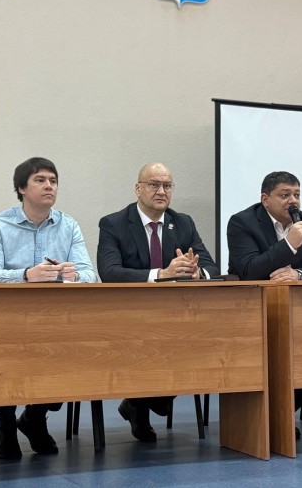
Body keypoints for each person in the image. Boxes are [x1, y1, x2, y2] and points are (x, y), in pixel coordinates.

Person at [0, 157, 97, 460]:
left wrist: (73, 276)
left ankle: (35, 416)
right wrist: (26, 275)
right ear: (21, 188)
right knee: (5, 349)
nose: (49, 186)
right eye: (40, 180)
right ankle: (6, 423)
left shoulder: (68, 225)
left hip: (54, 320)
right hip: (7, 320)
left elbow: (90, 274)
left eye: (53, 181)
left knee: (73, 347)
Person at [97, 162, 220, 442]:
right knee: (152, 343)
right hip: (129, 315)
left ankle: (143, 401)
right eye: (154, 184)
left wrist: (197, 272)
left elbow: (210, 266)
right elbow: (109, 272)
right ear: (138, 189)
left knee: (203, 340)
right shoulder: (114, 223)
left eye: (167, 185)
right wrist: (161, 274)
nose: (161, 191)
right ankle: (145, 402)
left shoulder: (183, 222)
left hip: (175, 316)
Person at [226, 171, 302, 427]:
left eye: (297, 194)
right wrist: (289, 244)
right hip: (255, 314)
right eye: (285, 195)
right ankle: (271, 418)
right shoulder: (242, 222)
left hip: (300, 315)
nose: (293, 201)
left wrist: (299, 274)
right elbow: (248, 270)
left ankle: (279, 413)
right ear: (265, 199)